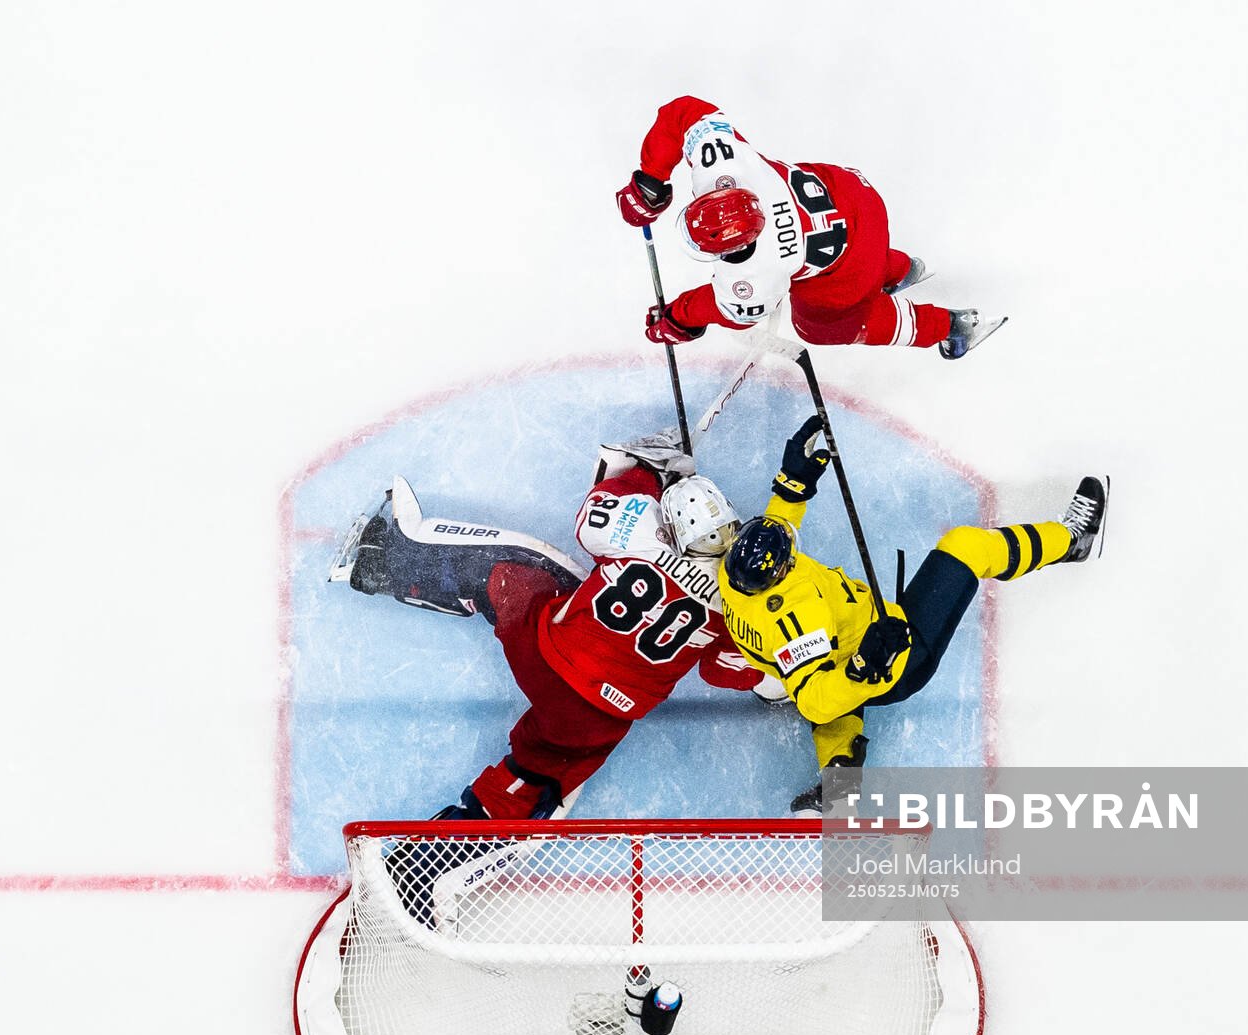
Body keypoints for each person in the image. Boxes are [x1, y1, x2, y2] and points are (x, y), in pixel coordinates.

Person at [334, 443, 774, 823]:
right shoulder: (738, 605)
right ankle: (449, 849)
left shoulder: (644, 540)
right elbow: (724, 671)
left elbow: (594, 513)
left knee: (505, 574)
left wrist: (643, 475)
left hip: (544, 653)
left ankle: (386, 566)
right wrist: (777, 673)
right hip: (595, 719)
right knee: (535, 777)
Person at [717, 418, 1109, 813]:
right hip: (894, 661)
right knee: (966, 547)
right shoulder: (797, 618)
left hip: (819, 646)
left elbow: (776, 532)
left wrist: (791, 484)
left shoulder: (732, 574)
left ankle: (840, 782)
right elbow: (817, 702)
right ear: (779, 574)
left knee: (828, 688)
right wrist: (862, 666)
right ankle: (1073, 540)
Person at [616, 95, 999, 359]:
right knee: (837, 264)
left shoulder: (754, 274)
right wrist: (650, 180)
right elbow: (685, 112)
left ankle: (950, 325)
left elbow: (725, 308)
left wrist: (679, 320)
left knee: (822, 327)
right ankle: (899, 269)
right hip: (852, 193)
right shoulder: (727, 166)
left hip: (854, 253)